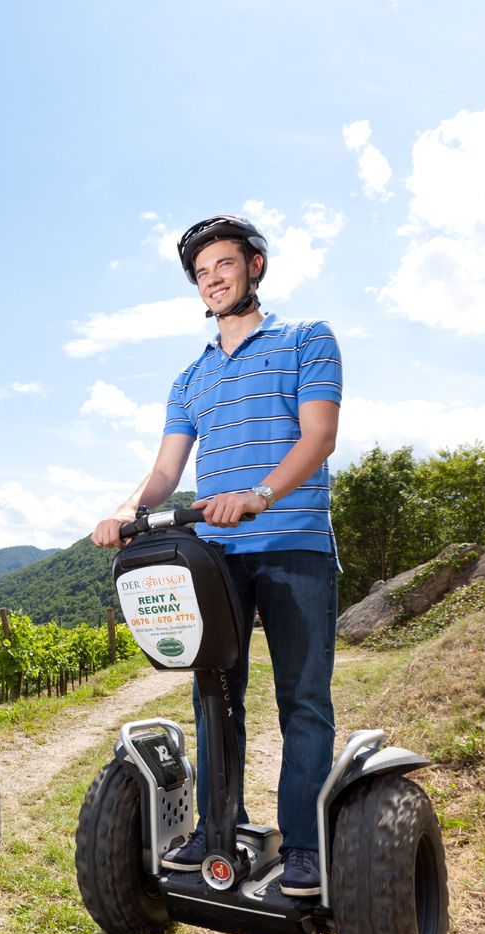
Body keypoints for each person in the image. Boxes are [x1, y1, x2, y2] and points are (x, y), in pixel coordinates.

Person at [91, 214, 341, 897]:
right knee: (215, 695)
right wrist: (125, 510)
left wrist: (261, 494)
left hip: (294, 544)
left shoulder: (306, 338)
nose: (213, 279)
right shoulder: (190, 377)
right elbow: (165, 471)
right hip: (218, 557)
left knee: (302, 699)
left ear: (254, 266)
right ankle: (218, 827)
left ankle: (304, 845)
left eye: (224, 264)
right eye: (202, 273)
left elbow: (318, 437)